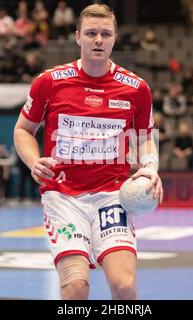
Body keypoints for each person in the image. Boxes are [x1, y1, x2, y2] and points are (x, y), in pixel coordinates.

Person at [13, 4, 163, 300]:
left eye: (105, 34)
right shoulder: (50, 82)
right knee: (76, 286)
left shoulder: (136, 88)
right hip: (63, 196)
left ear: (114, 38)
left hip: (112, 195)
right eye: (91, 33)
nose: (98, 40)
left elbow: (145, 136)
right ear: (78, 37)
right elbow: (22, 130)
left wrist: (150, 167)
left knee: (124, 286)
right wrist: (33, 161)